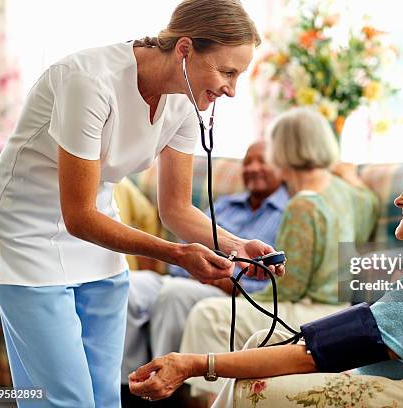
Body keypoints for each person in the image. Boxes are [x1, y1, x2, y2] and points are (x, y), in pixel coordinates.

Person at [0, 1, 282, 406]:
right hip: (27, 234)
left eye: (239, 75)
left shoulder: (187, 102)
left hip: (100, 240)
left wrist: (236, 246)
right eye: (227, 71)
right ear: (185, 48)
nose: (232, 89)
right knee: (64, 400)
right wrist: (177, 254)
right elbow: (78, 215)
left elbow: (176, 210)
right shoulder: (86, 81)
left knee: (105, 396)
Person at [128, 139, 403, 404]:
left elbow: (312, 354)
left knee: (262, 348)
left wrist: (194, 363)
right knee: (262, 336)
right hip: (359, 374)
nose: (399, 199)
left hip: (367, 393)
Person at [137, 107, 379, 401]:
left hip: (311, 307)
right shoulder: (352, 193)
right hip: (338, 306)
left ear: (283, 150)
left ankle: (212, 403)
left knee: (208, 314)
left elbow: (288, 288)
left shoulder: (303, 205)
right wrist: (349, 174)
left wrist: (237, 292)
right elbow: (369, 203)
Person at [121, 141, 288, 383]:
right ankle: (129, 385)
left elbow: (272, 281)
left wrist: (224, 280)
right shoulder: (225, 204)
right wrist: (189, 266)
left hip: (228, 291)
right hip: (185, 275)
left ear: (283, 167)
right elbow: (182, 250)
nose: (253, 167)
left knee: (173, 295)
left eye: (262, 161)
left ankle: (164, 386)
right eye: (248, 162)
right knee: (129, 286)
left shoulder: (288, 212)